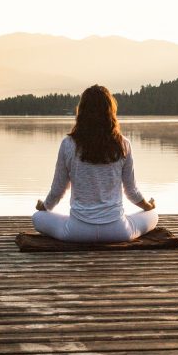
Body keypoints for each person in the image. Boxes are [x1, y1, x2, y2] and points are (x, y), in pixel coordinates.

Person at [32, 85, 158, 243]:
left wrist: (44, 207)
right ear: (110, 112)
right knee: (154, 216)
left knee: (37, 217)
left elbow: (58, 190)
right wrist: (148, 206)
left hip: (78, 232)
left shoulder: (68, 144)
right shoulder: (123, 144)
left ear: (82, 112)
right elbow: (131, 191)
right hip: (118, 231)